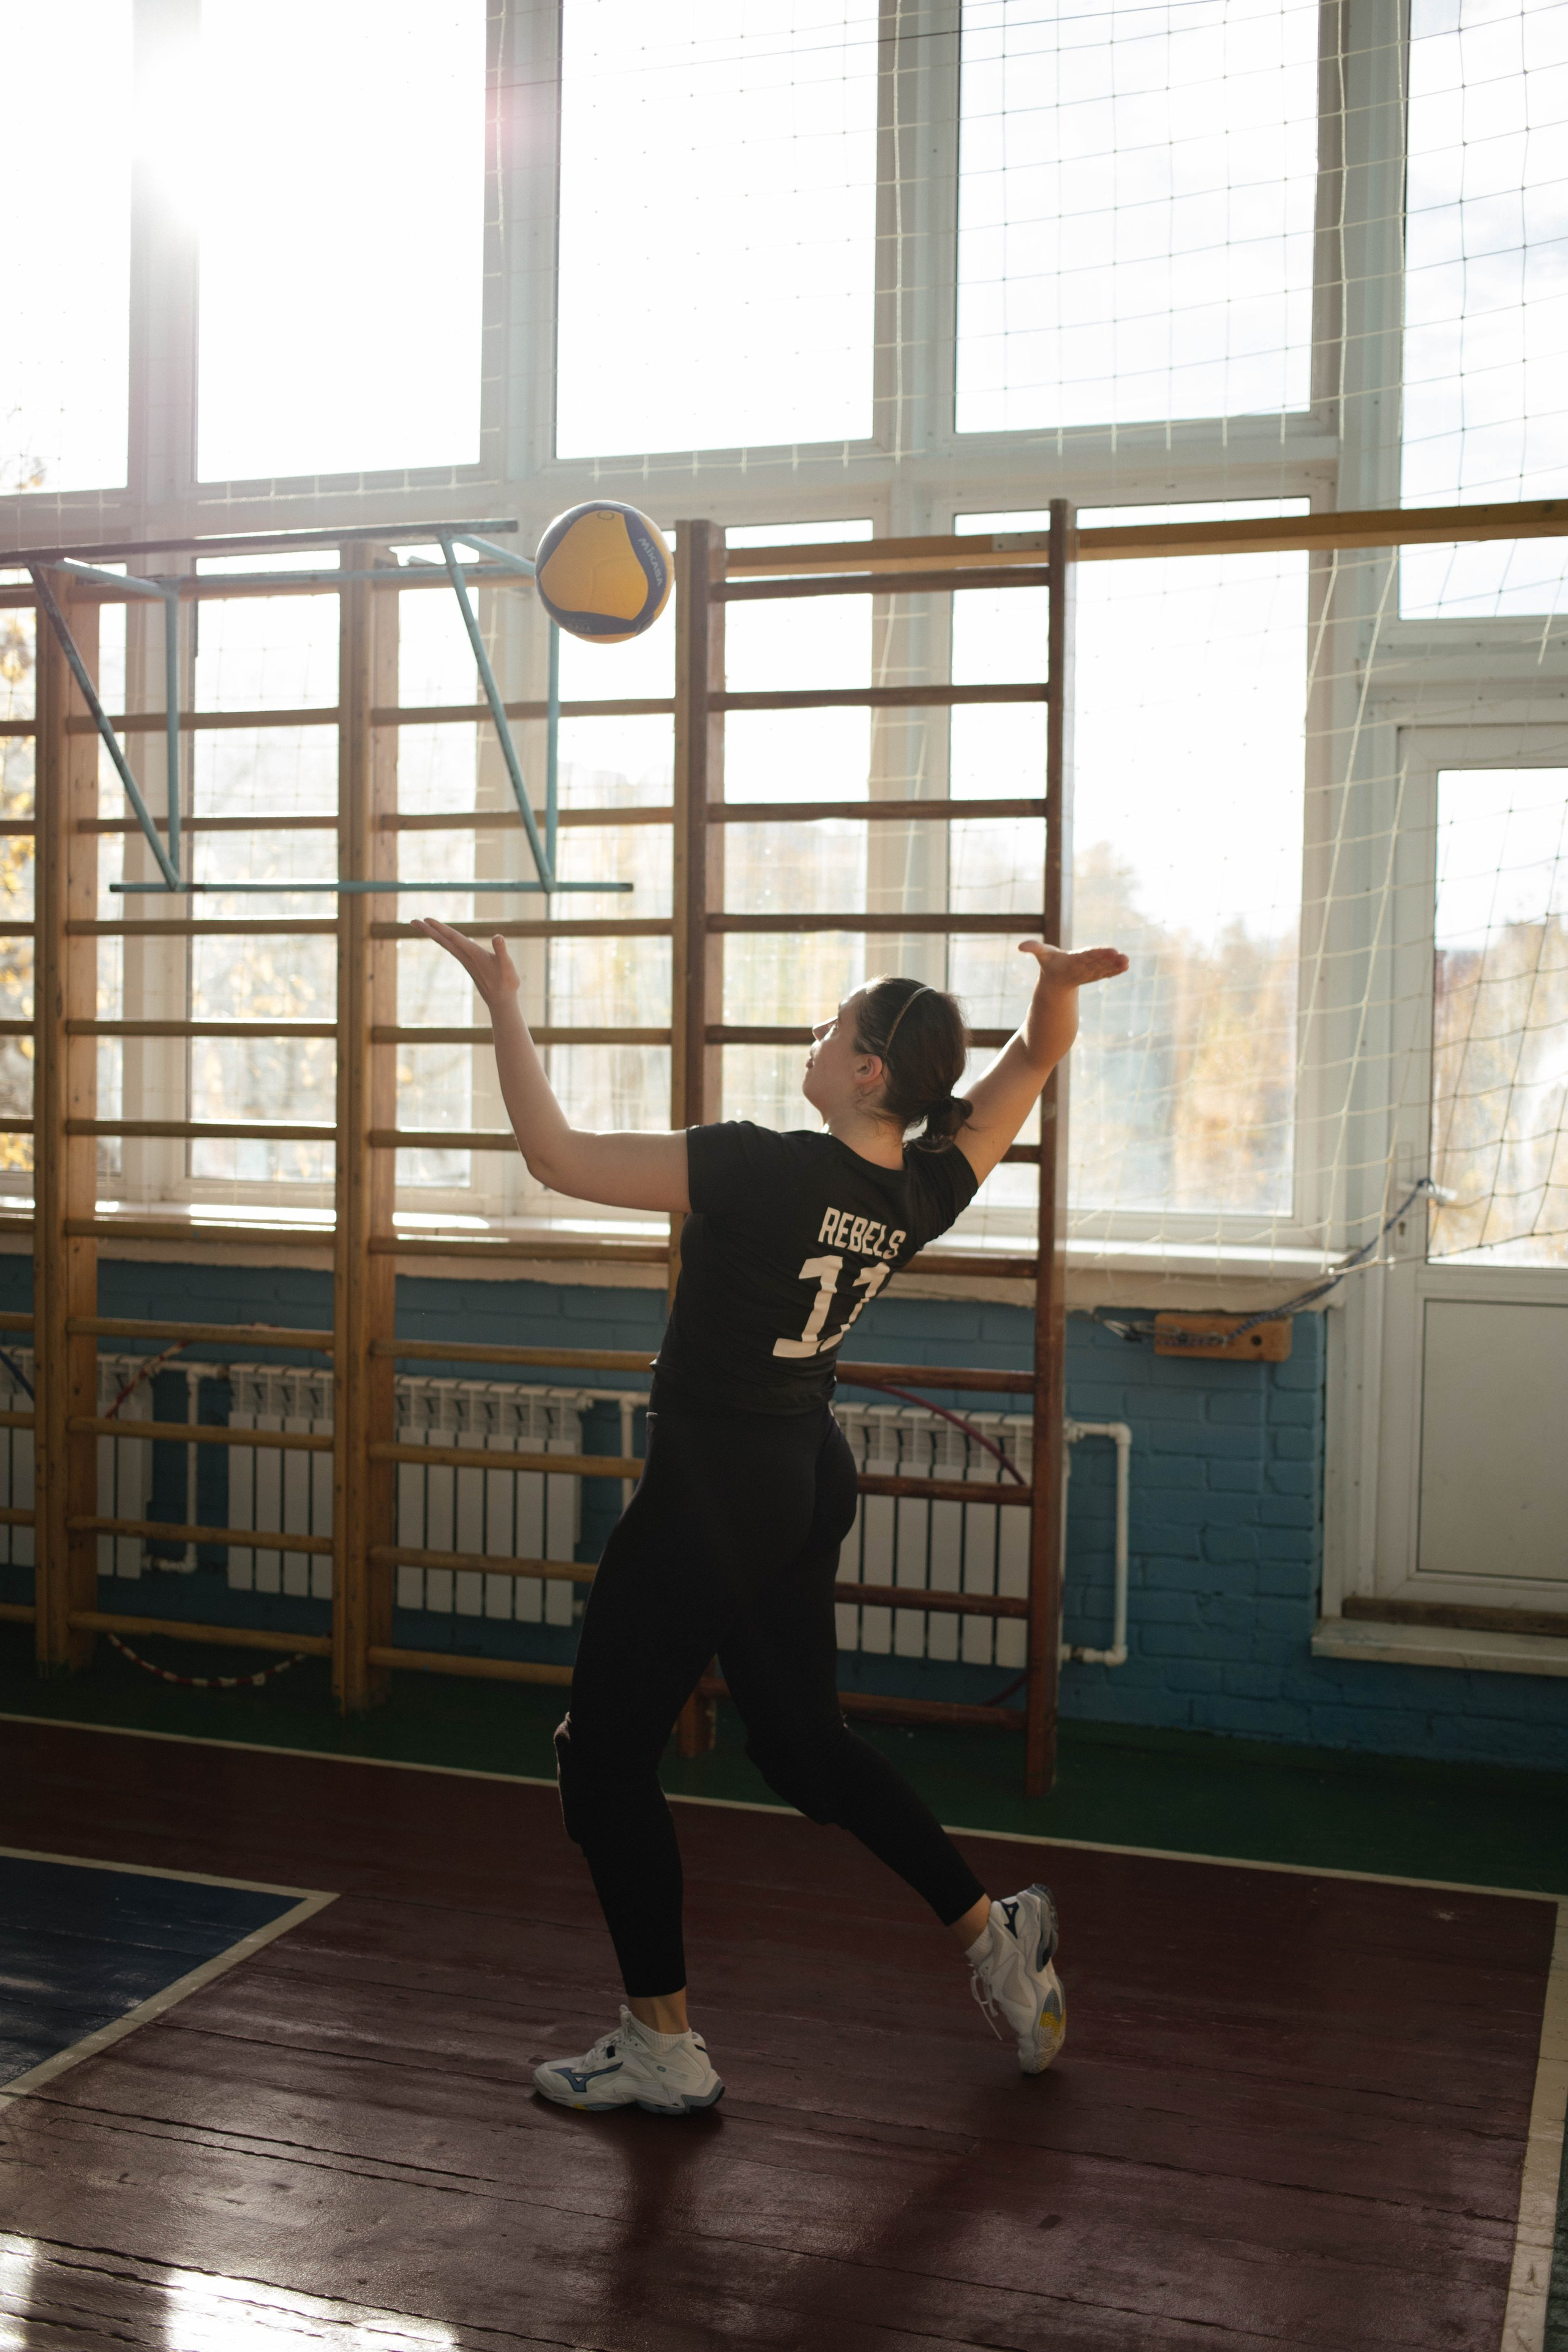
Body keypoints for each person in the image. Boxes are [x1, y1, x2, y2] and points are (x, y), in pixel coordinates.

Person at [415, 920, 1129, 2116]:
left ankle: (661, 2045)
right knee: (801, 1750)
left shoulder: (760, 1167)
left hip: (713, 1494)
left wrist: (501, 1000)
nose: (814, 1033)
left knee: (601, 1763)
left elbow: (553, 1156)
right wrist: (1053, 997)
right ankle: (994, 1935)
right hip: (800, 1478)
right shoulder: (917, 1187)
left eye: (831, 1025)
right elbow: (1026, 1069)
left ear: (862, 1072)